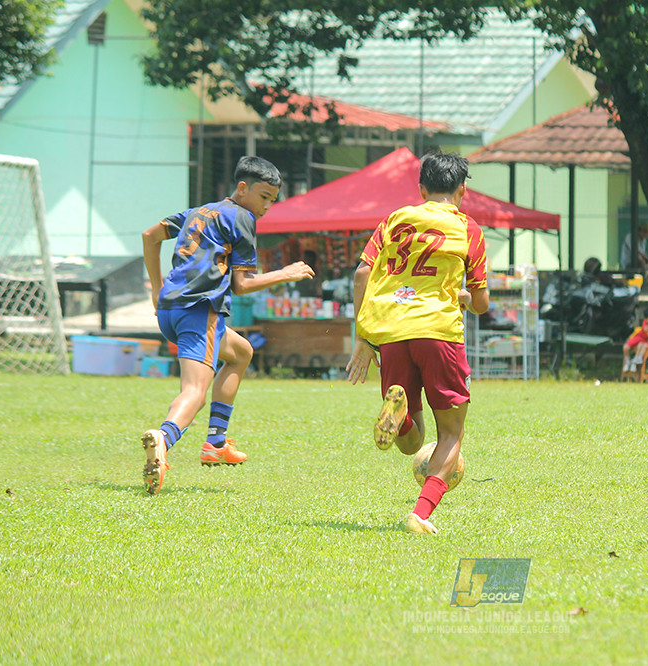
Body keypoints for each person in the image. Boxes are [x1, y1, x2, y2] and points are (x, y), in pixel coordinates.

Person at [139, 156, 315, 495]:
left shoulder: (199, 211)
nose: (266, 207)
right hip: (199, 310)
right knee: (194, 392)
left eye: (272, 200)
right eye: (263, 197)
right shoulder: (242, 217)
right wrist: (286, 273)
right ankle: (163, 437)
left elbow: (150, 236)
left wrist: (157, 287)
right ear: (242, 188)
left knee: (241, 352)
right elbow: (242, 284)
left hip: (170, 310)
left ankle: (216, 443)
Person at [346, 151, 489, 536]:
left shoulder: (395, 220)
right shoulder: (468, 228)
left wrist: (363, 338)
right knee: (451, 433)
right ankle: (421, 514)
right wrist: (462, 297)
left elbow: (362, 275)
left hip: (391, 332)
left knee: (411, 443)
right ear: (462, 190)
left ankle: (403, 416)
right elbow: (481, 303)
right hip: (438, 331)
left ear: (422, 189)